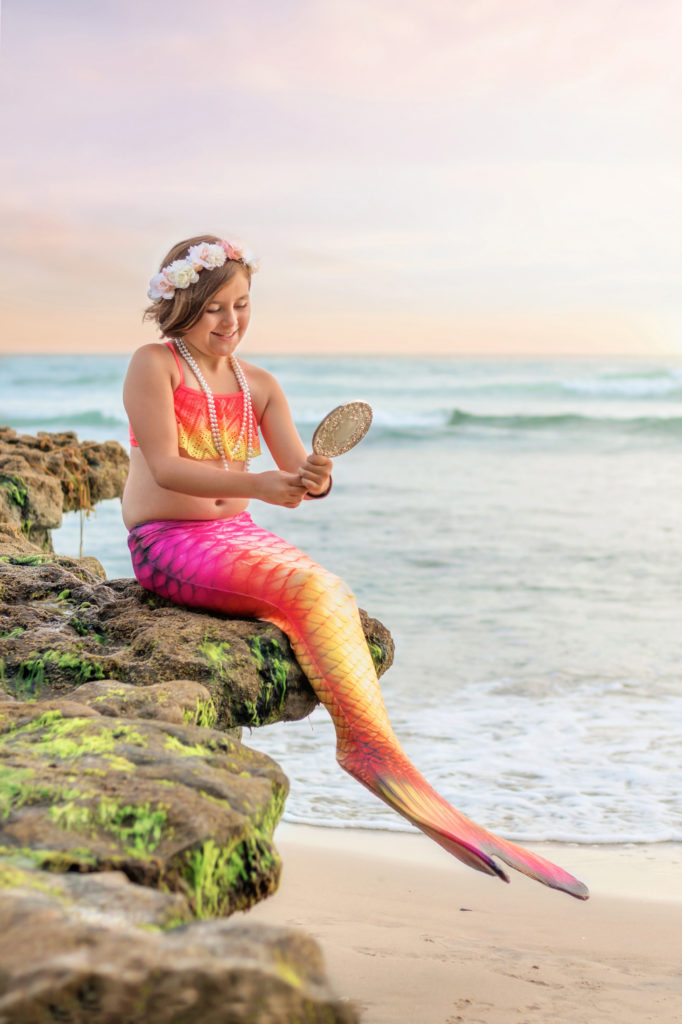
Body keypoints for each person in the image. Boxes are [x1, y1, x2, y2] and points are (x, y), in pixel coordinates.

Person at [123, 234, 588, 900]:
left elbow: (298, 475)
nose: (230, 322)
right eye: (213, 309)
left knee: (328, 591)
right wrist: (263, 486)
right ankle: (364, 748)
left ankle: (371, 745)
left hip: (236, 534)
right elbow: (166, 466)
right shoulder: (154, 365)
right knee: (301, 586)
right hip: (169, 543)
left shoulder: (260, 384)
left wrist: (314, 476)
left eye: (242, 305)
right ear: (180, 305)